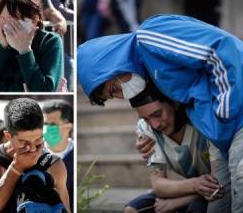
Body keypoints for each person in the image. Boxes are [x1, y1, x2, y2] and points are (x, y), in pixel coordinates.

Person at [78, 14, 243, 212]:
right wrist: (151, 134)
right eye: (115, 96)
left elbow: (219, 49)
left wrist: (223, 115)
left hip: (236, 119)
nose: (123, 96)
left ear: (110, 64)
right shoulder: (152, 77)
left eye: (114, 89)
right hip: (224, 137)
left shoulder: (150, 35)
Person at [124, 82, 228, 213]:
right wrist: (195, 185)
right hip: (192, 188)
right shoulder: (147, 129)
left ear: (175, 103)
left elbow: (217, 184)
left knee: (196, 208)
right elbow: (158, 185)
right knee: (131, 210)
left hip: (219, 186)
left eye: (157, 114)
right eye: (146, 119)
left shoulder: (201, 119)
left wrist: (178, 202)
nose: (155, 125)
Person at [0, 98, 71, 213]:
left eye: (37, 140)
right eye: (24, 142)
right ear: (8, 136)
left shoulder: (54, 164)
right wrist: (15, 168)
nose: (32, 148)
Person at [0, 0, 64, 92]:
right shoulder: (2, 40)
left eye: (13, 19)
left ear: (34, 20)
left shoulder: (50, 42)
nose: (6, 24)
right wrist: (3, 46)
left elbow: (45, 90)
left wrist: (25, 51)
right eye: (3, 18)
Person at [42, 99, 74, 210]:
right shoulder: (33, 153)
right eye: (45, 124)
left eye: (52, 125)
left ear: (68, 127)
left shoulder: (75, 155)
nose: (47, 129)